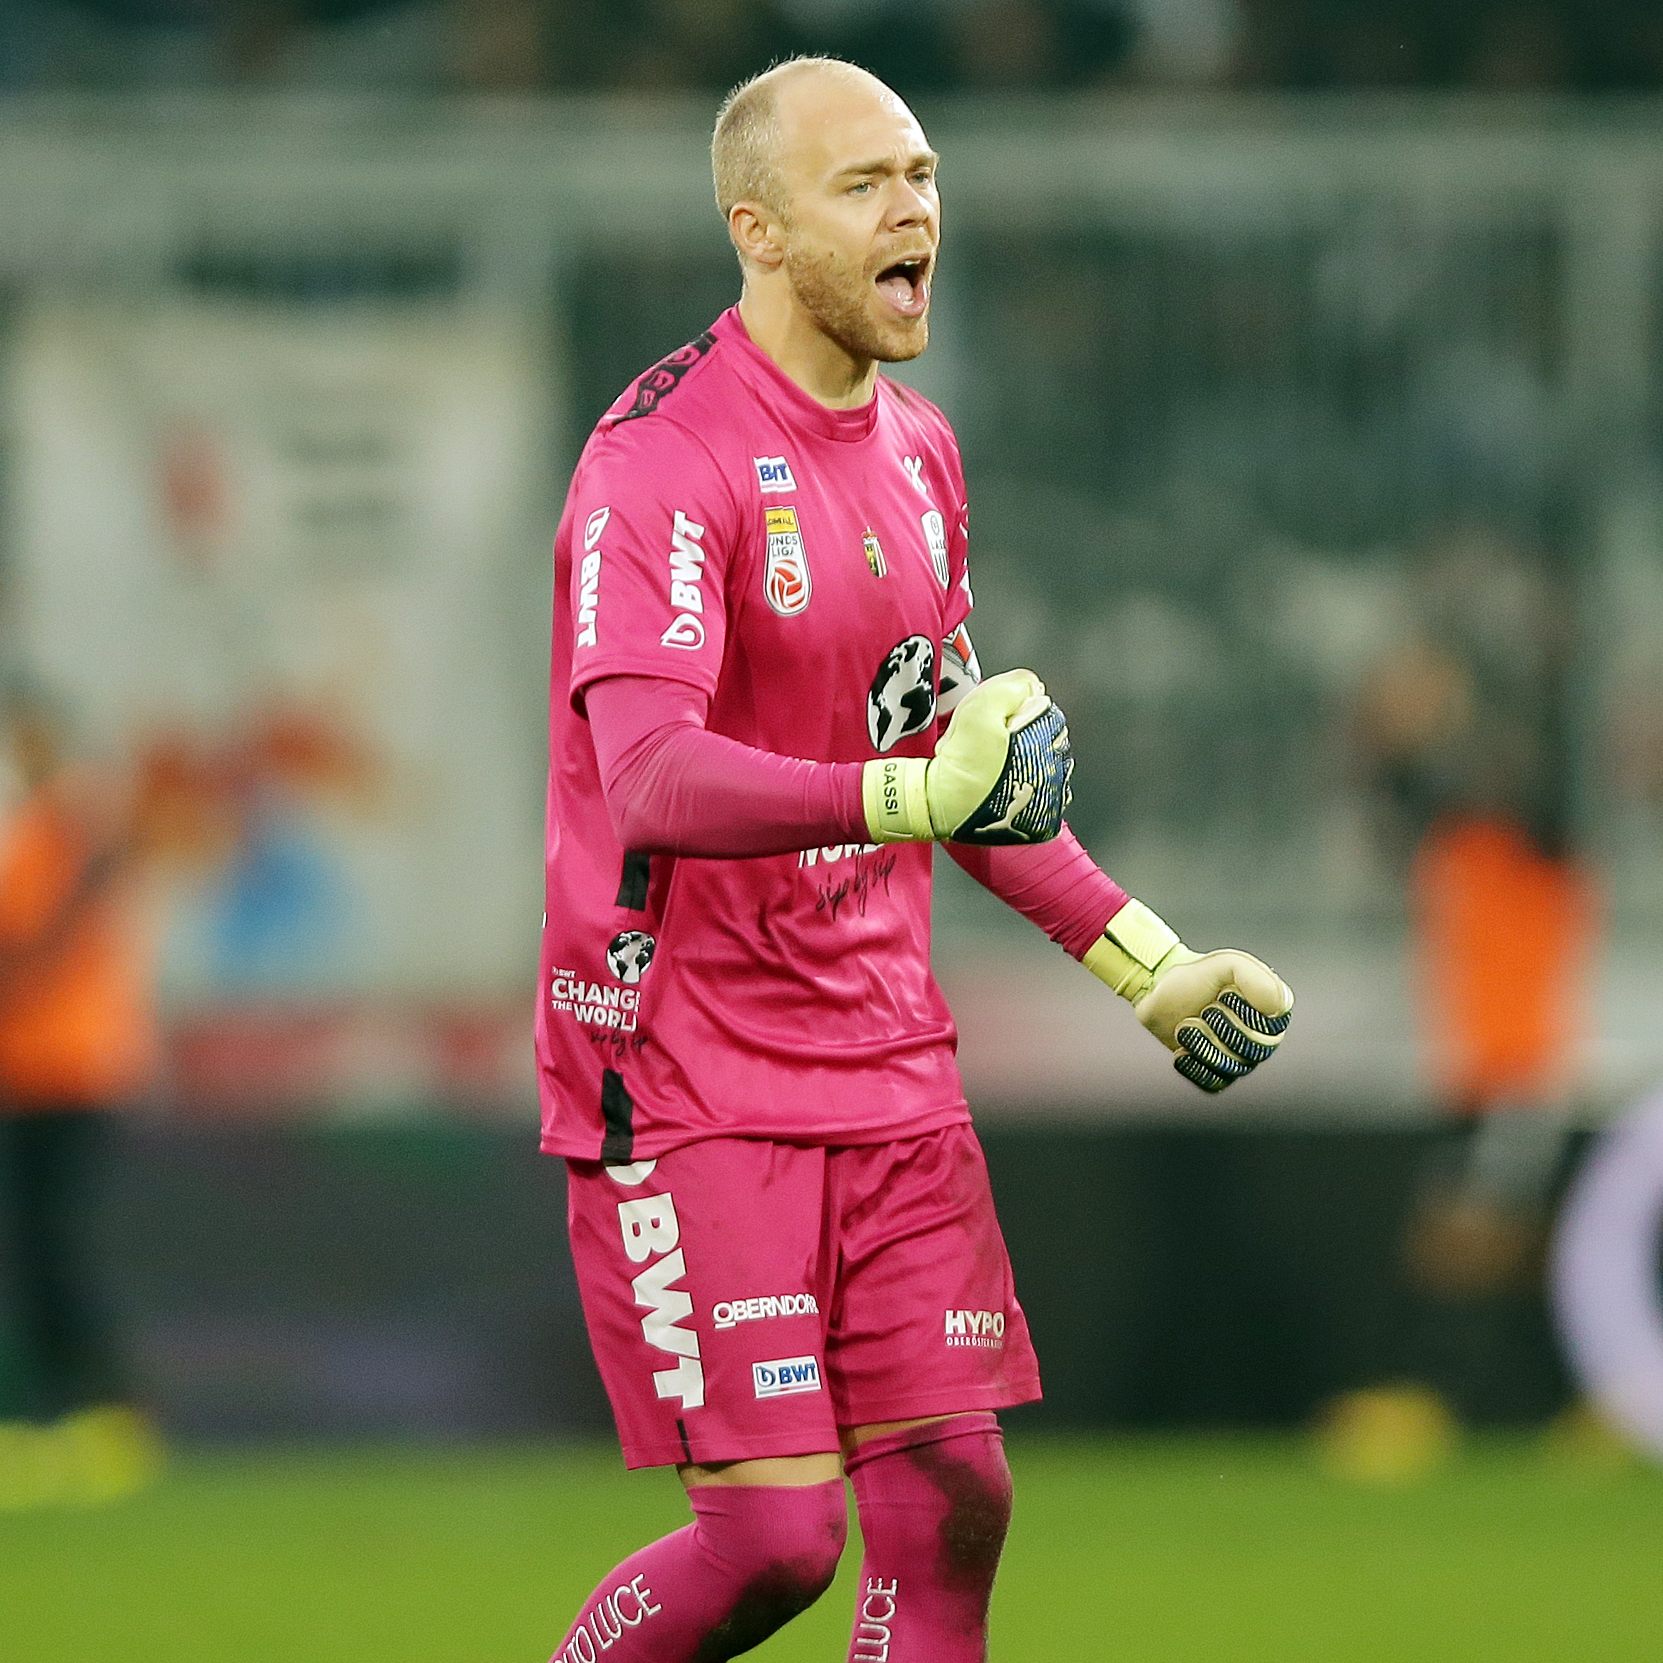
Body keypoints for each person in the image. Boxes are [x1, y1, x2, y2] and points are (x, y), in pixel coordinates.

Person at [537, 56, 1294, 1661]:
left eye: (924, 174)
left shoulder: (922, 452)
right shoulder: (656, 461)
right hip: (687, 1067)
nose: (914, 211)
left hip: (885, 1060)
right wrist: (903, 790)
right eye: (864, 183)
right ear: (757, 229)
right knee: (772, 1541)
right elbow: (651, 775)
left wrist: (1149, 964)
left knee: (952, 1495)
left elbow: (972, 786)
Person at [0, 683, 169, 1507]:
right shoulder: (32, 833)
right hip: (23, 1074)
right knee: (31, 1252)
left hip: (74, 1070)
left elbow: (39, 941)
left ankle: (105, 1413)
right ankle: (44, 1419)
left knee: (62, 1247)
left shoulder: (72, 823)